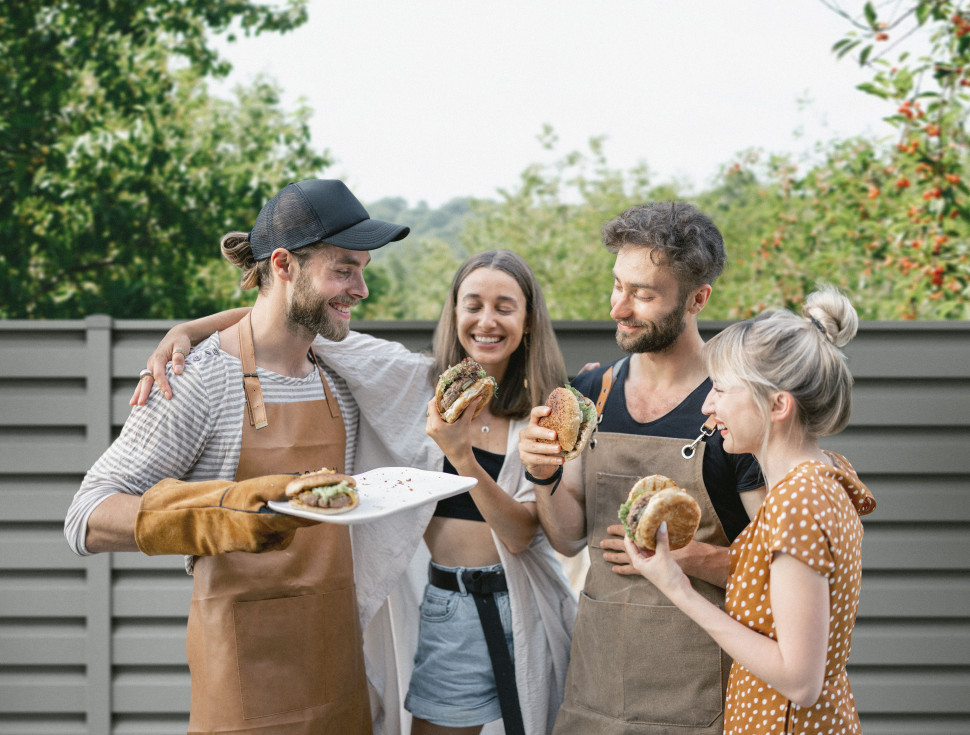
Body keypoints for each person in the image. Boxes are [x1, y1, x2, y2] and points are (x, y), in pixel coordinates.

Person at [135, 250, 578, 735]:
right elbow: (288, 320)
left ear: (528, 321)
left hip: (529, 603)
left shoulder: (542, 413)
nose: (486, 321)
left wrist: (462, 457)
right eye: (472, 305)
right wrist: (189, 330)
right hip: (451, 603)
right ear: (454, 315)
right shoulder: (410, 379)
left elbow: (521, 536)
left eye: (504, 308)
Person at [64, 178, 412, 735]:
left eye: (363, 270)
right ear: (284, 264)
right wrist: (221, 513)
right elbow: (86, 516)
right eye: (344, 270)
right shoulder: (200, 379)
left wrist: (193, 323)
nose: (361, 289)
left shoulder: (345, 371)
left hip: (339, 672)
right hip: (244, 683)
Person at [517, 201, 766, 735]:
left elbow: (777, 572)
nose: (618, 307)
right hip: (597, 691)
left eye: (643, 294)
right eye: (617, 285)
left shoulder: (735, 410)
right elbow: (567, 538)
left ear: (698, 299)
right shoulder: (591, 393)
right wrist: (542, 474)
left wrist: (694, 558)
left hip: (702, 700)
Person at [624, 286, 876, 734]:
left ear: (778, 405)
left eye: (720, 389)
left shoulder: (798, 501)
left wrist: (676, 588)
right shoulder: (825, 475)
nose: (707, 405)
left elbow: (800, 682)